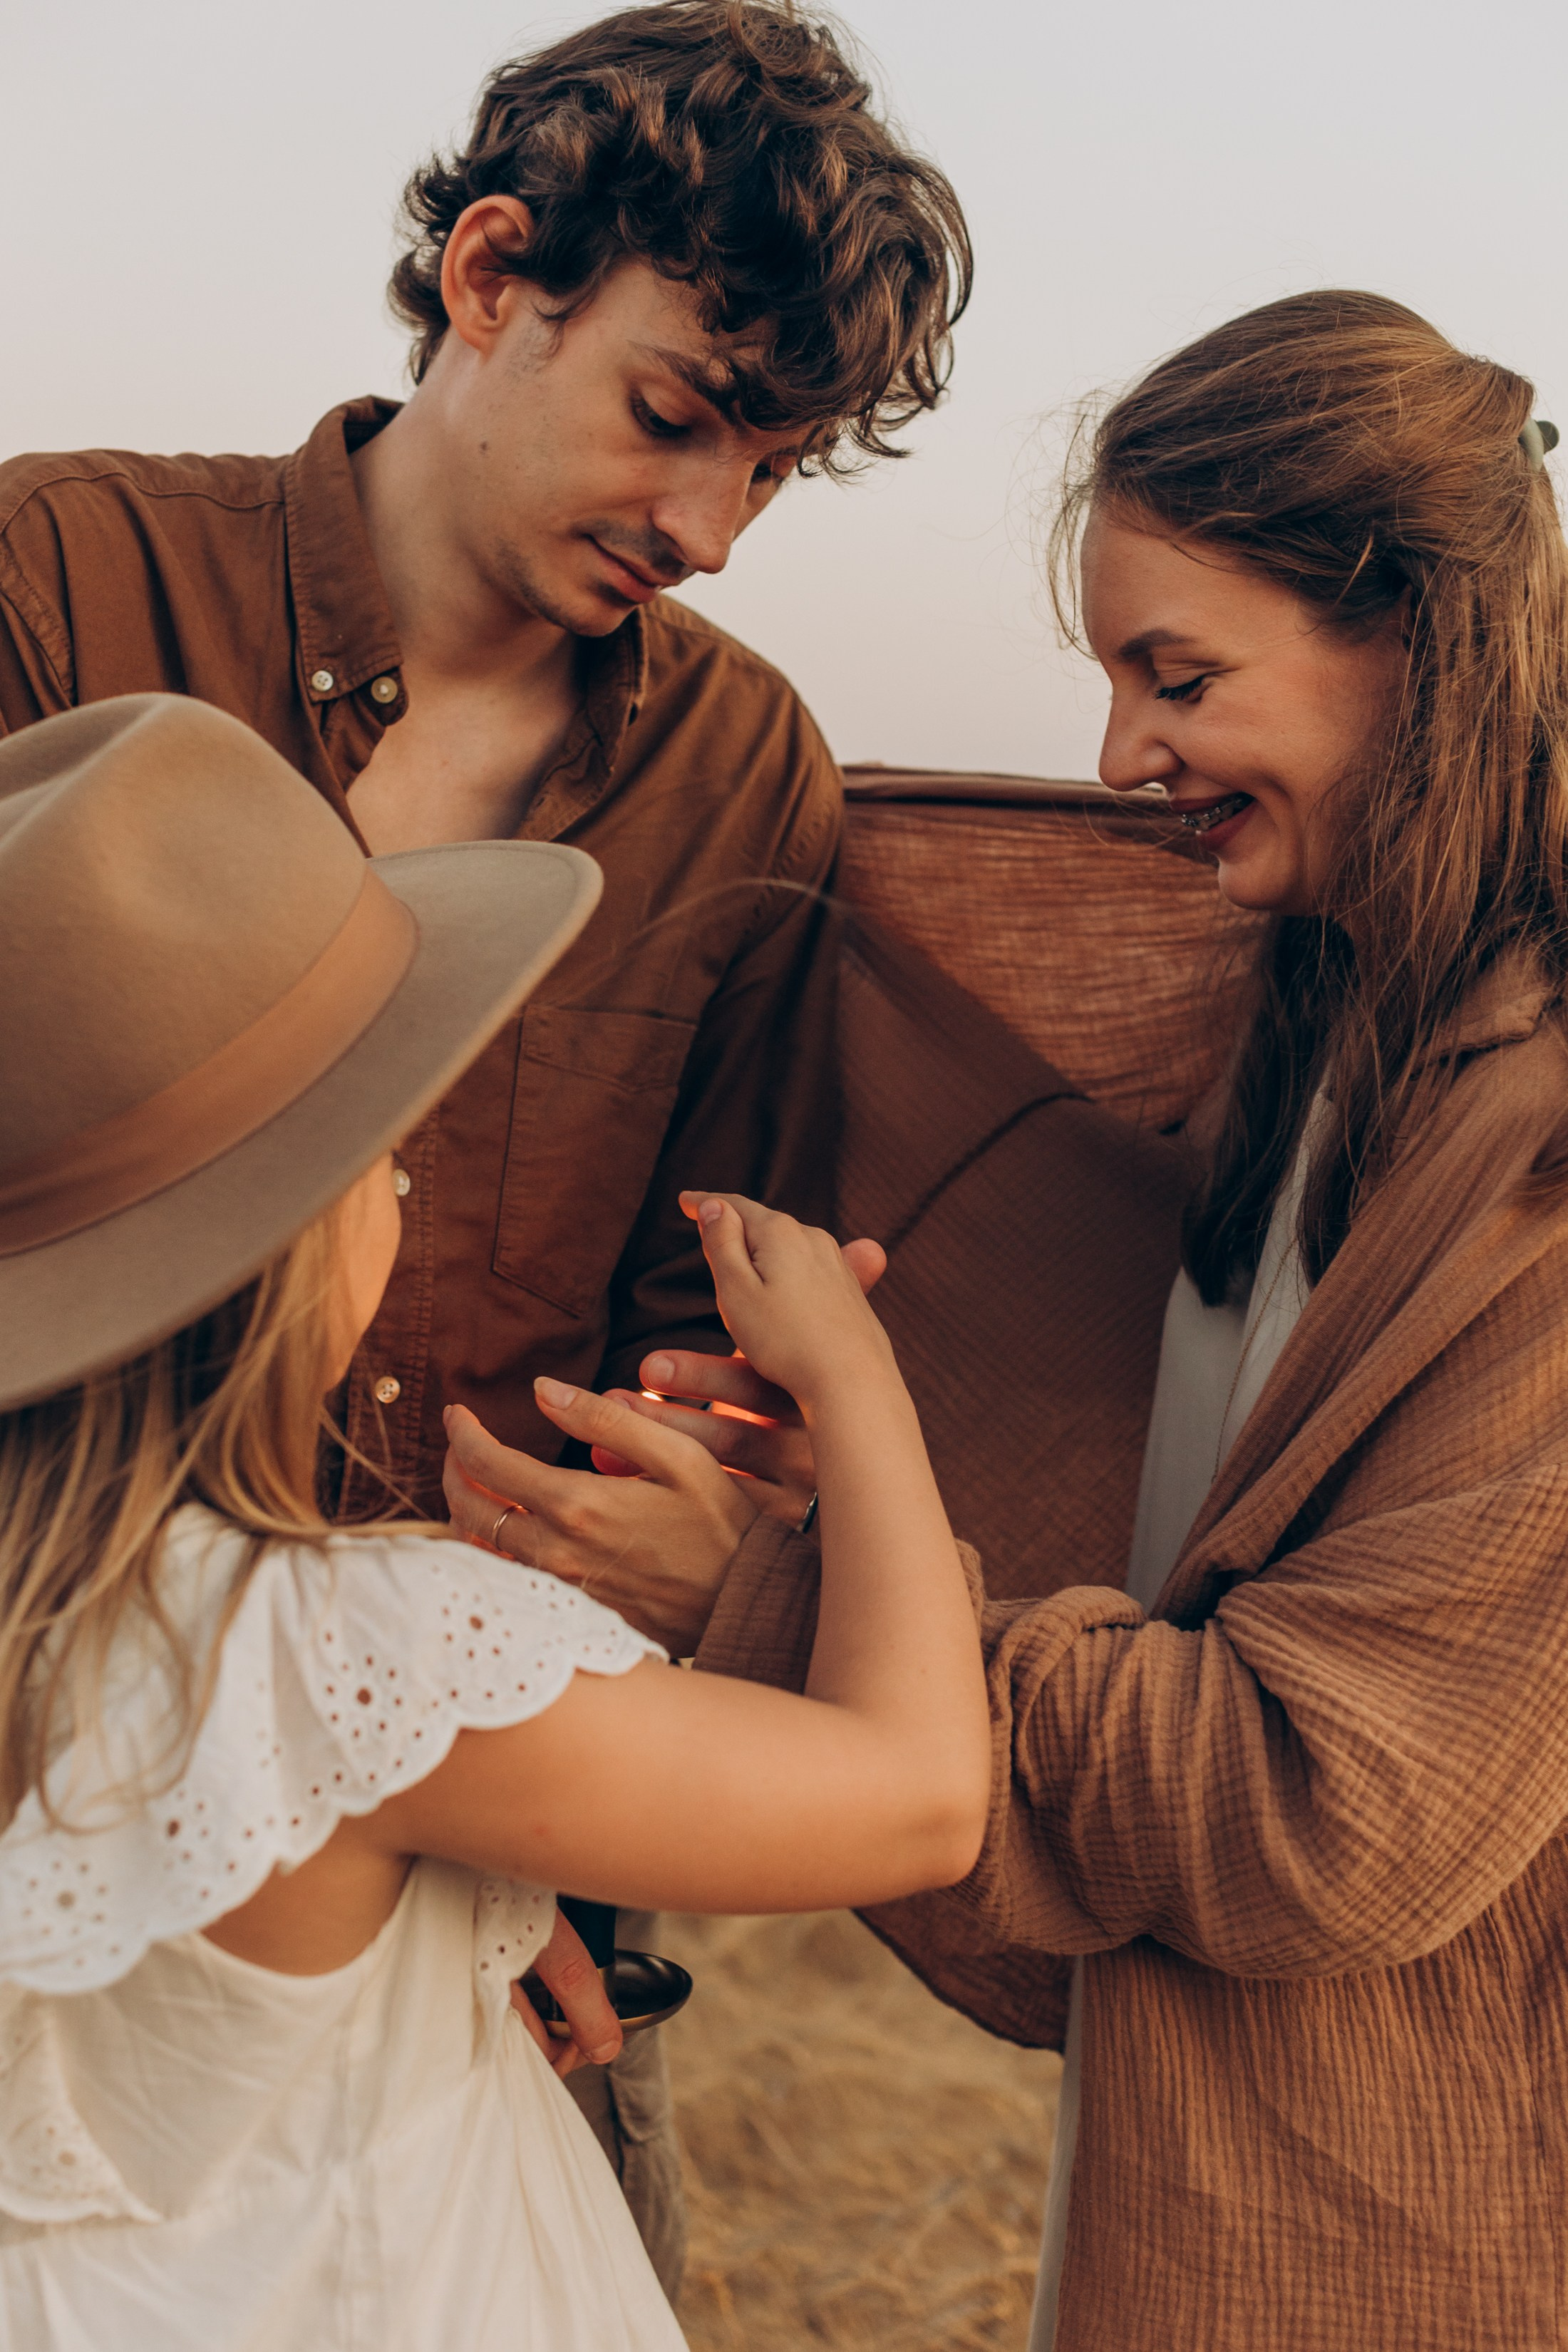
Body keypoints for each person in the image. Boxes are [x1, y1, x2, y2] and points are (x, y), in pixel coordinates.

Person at [453, 290, 1568, 2349]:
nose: (1124, 755)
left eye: (1179, 672)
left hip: (1400, 2237)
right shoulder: (1313, 1036)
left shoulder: (1540, 1162)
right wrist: (833, 1481)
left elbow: (1321, 1802)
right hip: (1189, 2164)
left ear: (1417, 636)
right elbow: (1160, 1535)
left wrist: (786, 1581)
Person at [0, 0, 971, 2274]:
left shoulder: (752, 780)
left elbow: (678, 1350)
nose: (714, 527)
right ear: (492, 273)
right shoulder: (50, 584)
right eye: (675, 417)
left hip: (501, 1897)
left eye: (776, 469)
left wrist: (557, 1875)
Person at [0, 692, 989, 2351]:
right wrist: (859, 1385)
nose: (398, 1193)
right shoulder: (347, 1659)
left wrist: (453, 1928)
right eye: (384, 1158)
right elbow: (917, 1798)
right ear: (301, 1240)